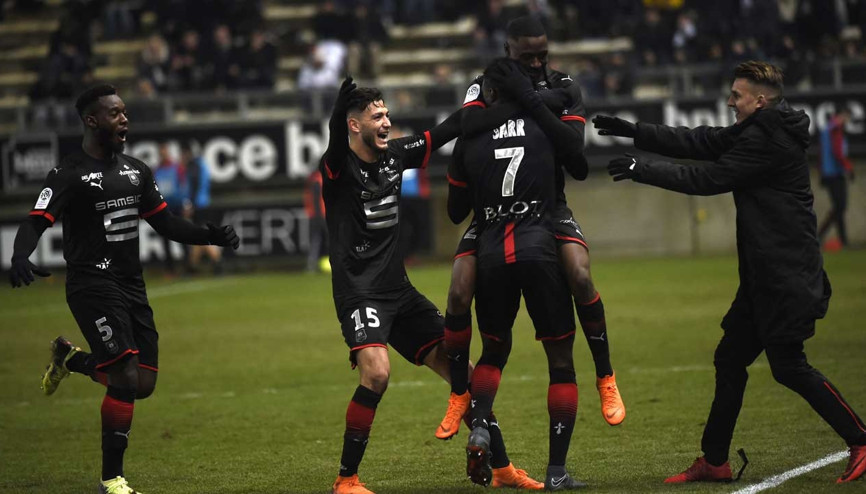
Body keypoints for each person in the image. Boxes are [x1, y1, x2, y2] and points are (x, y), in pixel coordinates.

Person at [594, 60, 866, 484]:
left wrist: (641, 169)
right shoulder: (758, 128)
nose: (729, 102)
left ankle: (861, 440)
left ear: (760, 100)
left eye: (737, 96)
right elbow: (701, 139)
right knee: (730, 359)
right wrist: (636, 131)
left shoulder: (768, 139)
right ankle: (715, 460)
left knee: (788, 365)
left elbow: (709, 177)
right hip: (764, 276)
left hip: (786, 275)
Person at [8, 84, 239, 494]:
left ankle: (70, 359)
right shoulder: (68, 174)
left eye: (125, 112)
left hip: (131, 285)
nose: (124, 119)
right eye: (114, 113)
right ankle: (111, 479)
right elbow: (36, 220)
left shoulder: (136, 171)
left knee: (142, 383)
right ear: (91, 120)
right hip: (91, 285)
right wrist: (20, 254)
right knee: (125, 375)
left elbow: (166, 223)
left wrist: (210, 235)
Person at [323, 77, 541, 493]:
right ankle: (346, 480)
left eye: (387, 114)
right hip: (359, 293)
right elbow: (335, 143)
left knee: (465, 372)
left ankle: (502, 469)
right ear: (354, 125)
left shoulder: (396, 155)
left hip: (399, 292)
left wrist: (487, 96)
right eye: (377, 117)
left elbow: (448, 129)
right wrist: (337, 110)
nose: (386, 122)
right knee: (377, 373)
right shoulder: (337, 167)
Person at [437, 15, 625, 443]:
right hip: (491, 212)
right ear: (509, 51)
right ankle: (459, 393)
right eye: (528, 57)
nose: (538, 63)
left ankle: (606, 375)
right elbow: (467, 127)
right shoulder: (483, 86)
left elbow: (575, 154)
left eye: (543, 55)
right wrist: (534, 101)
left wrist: (529, 98)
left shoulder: (566, 85)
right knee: (458, 290)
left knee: (579, 274)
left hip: (548, 205)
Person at [448, 59, 589, 490]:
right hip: (540, 249)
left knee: (493, 351)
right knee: (561, 362)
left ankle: (477, 424)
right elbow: (577, 164)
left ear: (488, 95)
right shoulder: (543, 125)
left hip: (491, 254)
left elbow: (455, 209)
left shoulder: (470, 138)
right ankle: (557, 471)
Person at [181, 143, 224, 274]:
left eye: (183, 154)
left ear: (187, 153)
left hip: (198, 206)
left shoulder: (194, 166)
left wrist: (190, 205)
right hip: (204, 204)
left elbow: (194, 187)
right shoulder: (201, 164)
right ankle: (192, 266)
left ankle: (217, 262)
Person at [817, 107, 855, 250]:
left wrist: (821, 172)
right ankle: (821, 235)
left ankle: (842, 240)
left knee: (838, 207)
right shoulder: (836, 129)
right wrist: (849, 168)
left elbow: (822, 153)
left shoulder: (827, 129)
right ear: (843, 115)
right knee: (840, 206)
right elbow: (838, 152)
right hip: (836, 173)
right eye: (847, 117)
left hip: (828, 173)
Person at [154, 142, 188, 275]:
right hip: (163, 209)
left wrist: (185, 204)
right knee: (165, 239)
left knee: (182, 236)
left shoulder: (176, 168)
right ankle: (170, 268)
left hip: (177, 207)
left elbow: (184, 186)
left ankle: (187, 266)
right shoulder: (157, 170)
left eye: (164, 152)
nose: (163, 155)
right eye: (161, 153)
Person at [304, 166, 329, 273]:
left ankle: (311, 265)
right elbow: (317, 200)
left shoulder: (312, 178)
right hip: (322, 215)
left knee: (315, 240)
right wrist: (320, 215)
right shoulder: (320, 179)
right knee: (330, 240)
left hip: (314, 215)